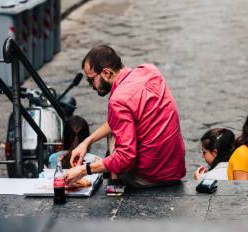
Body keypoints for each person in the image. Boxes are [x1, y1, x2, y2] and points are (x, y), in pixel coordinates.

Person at [64, 45, 186, 188]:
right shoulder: (149, 71)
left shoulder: (118, 100)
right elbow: (123, 119)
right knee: (119, 124)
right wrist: (86, 142)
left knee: (115, 136)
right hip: (174, 172)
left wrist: (84, 170)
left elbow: (125, 157)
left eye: (91, 80)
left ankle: (115, 185)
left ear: (106, 73)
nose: (91, 85)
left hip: (149, 177)